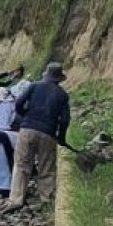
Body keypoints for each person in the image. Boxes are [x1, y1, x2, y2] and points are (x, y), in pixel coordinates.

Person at [6, 62, 71, 210]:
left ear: (46, 75)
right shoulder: (62, 95)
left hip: (27, 129)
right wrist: (61, 137)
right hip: (48, 133)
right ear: (59, 79)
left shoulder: (34, 86)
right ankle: (46, 199)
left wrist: (25, 118)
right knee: (46, 166)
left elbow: (19, 104)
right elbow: (65, 120)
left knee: (22, 164)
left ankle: (16, 199)